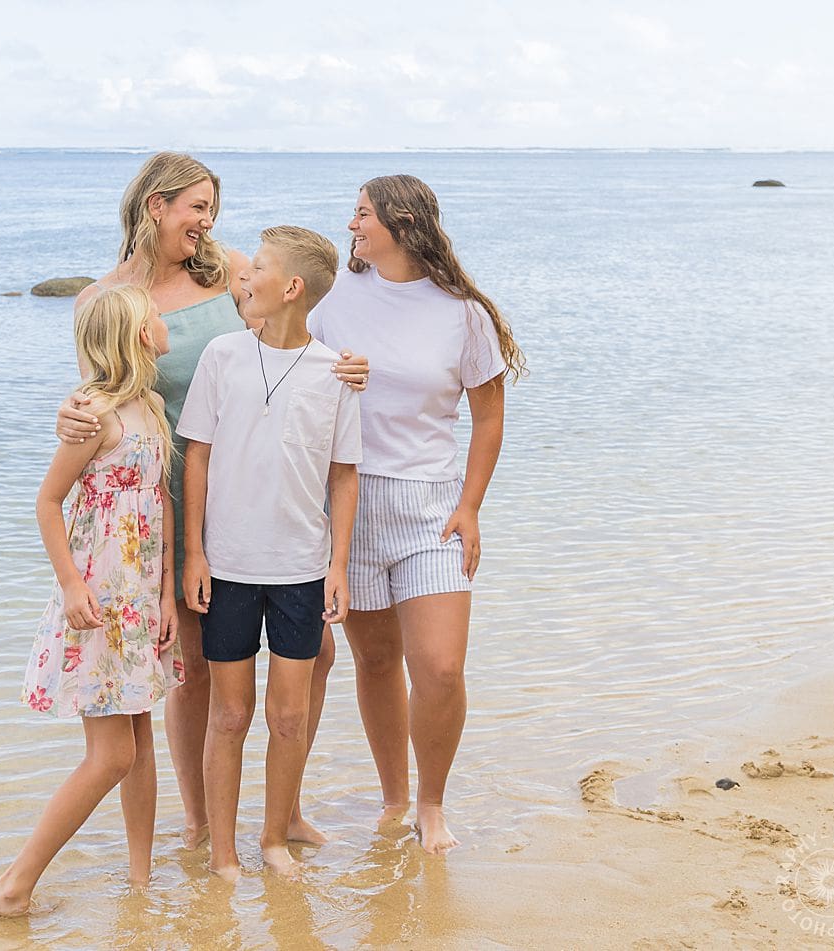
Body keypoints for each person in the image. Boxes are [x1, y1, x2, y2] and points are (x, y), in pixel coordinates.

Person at [54, 152, 368, 848]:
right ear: (156, 204)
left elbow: (286, 328)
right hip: (159, 499)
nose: (208, 222)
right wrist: (67, 420)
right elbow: (100, 391)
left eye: (212, 209)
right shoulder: (102, 299)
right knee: (192, 669)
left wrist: (345, 363)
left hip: (256, 494)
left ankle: (282, 810)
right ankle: (201, 823)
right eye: (197, 206)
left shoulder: (225, 271)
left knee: (316, 652)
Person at [307, 175, 524, 856]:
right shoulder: (334, 298)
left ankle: (432, 801)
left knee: (440, 668)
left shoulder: (463, 313)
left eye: (362, 214)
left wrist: (470, 506)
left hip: (430, 507)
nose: (351, 225)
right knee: (375, 659)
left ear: (401, 222)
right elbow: (279, 362)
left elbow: (488, 414)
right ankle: (395, 797)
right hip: (350, 502)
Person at [0, 285, 183, 914]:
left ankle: (141, 880)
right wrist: (71, 584)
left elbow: (160, 501)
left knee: (140, 737)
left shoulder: (151, 405)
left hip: (142, 599)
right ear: (134, 333)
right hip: (99, 598)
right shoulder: (93, 414)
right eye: (154, 312)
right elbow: (48, 501)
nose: (162, 317)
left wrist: (168, 596)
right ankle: (13, 885)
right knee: (112, 755)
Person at [179, 226, 361, 879]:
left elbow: (344, 473)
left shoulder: (336, 372)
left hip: (300, 571)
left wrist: (337, 564)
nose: (244, 275)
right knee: (229, 714)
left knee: (288, 715)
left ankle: (273, 840)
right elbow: (196, 452)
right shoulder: (222, 357)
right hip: (226, 567)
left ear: (291, 288)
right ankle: (222, 851)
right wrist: (194, 552)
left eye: (256, 266)